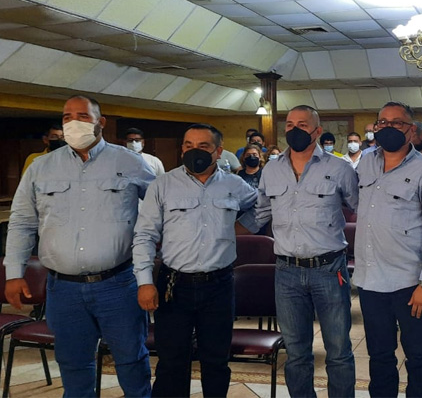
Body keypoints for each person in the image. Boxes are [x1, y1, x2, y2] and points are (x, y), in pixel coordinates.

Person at [5, 95, 154, 397]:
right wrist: (14, 273)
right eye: (67, 117)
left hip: (118, 284)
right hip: (64, 289)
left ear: (101, 122)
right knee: (73, 363)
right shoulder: (41, 167)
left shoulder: (130, 161)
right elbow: (21, 222)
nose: (73, 122)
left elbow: (159, 210)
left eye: (83, 116)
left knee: (131, 358)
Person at [239, 105, 358, 397]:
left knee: (338, 350)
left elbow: (361, 210)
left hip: (329, 270)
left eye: (302, 125)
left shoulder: (339, 168)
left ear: (317, 131)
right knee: (296, 352)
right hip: (287, 272)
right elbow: (260, 213)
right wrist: (224, 235)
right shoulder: (272, 169)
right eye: (290, 125)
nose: (295, 130)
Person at [133, 123, 256, 397]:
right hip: (174, 285)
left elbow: (261, 207)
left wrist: (241, 227)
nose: (194, 151)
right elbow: (144, 235)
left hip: (219, 284)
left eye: (203, 146)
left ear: (218, 152)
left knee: (216, 360)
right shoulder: (163, 184)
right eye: (188, 145)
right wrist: (144, 281)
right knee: (172, 362)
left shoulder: (234, 185)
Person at [354, 101, 422, 398]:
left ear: (411, 130)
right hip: (371, 282)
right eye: (382, 122)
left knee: (419, 356)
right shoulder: (365, 164)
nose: (388, 128)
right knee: (379, 356)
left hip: (411, 285)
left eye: (396, 123)